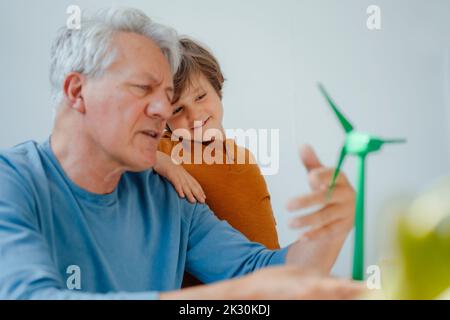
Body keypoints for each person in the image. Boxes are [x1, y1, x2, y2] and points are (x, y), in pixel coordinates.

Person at [0, 7, 358, 299]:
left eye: (166, 95)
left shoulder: (169, 199)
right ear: (77, 92)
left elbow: (262, 273)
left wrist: (328, 234)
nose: (162, 109)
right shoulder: (11, 180)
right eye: (144, 88)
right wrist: (233, 295)